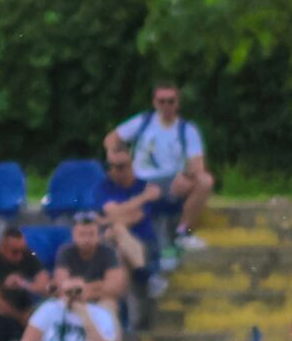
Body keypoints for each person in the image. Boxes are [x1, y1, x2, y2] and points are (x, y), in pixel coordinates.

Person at [106, 85, 213, 252]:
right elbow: (112, 138)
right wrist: (117, 157)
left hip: (171, 181)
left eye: (171, 101)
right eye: (161, 101)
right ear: (154, 103)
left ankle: (183, 232)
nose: (166, 106)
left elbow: (197, 163)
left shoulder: (187, 129)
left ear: (177, 103)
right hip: (139, 180)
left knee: (205, 181)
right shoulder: (143, 122)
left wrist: (186, 174)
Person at [97, 147, 163, 283]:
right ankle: (145, 274)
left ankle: (143, 277)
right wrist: (144, 197)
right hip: (115, 243)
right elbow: (114, 213)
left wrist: (106, 220)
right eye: (109, 166)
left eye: (120, 166)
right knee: (115, 233)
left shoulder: (144, 185)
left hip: (143, 241)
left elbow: (136, 216)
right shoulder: (104, 186)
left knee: (114, 230)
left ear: (133, 165)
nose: (113, 171)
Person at [54, 212, 127, 307]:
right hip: (73, 300)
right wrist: (98, 286)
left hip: (101, 299)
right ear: (74, 236)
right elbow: (62, 285)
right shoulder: (65, 252)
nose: (87, 239)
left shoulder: (108, 252)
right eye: (82, 234)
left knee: (109, 304)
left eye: (91, 234)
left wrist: (82, 288)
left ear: (99, 236)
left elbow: (115, 287)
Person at [0, 224, 51, 320]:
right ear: (3, 248)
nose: (20, 256)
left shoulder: (29, 255)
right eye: (15, 252)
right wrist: (20, 318)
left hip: (28, 310)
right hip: (2, 315)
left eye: (23, 250)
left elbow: (46, 287)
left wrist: (24, 283)